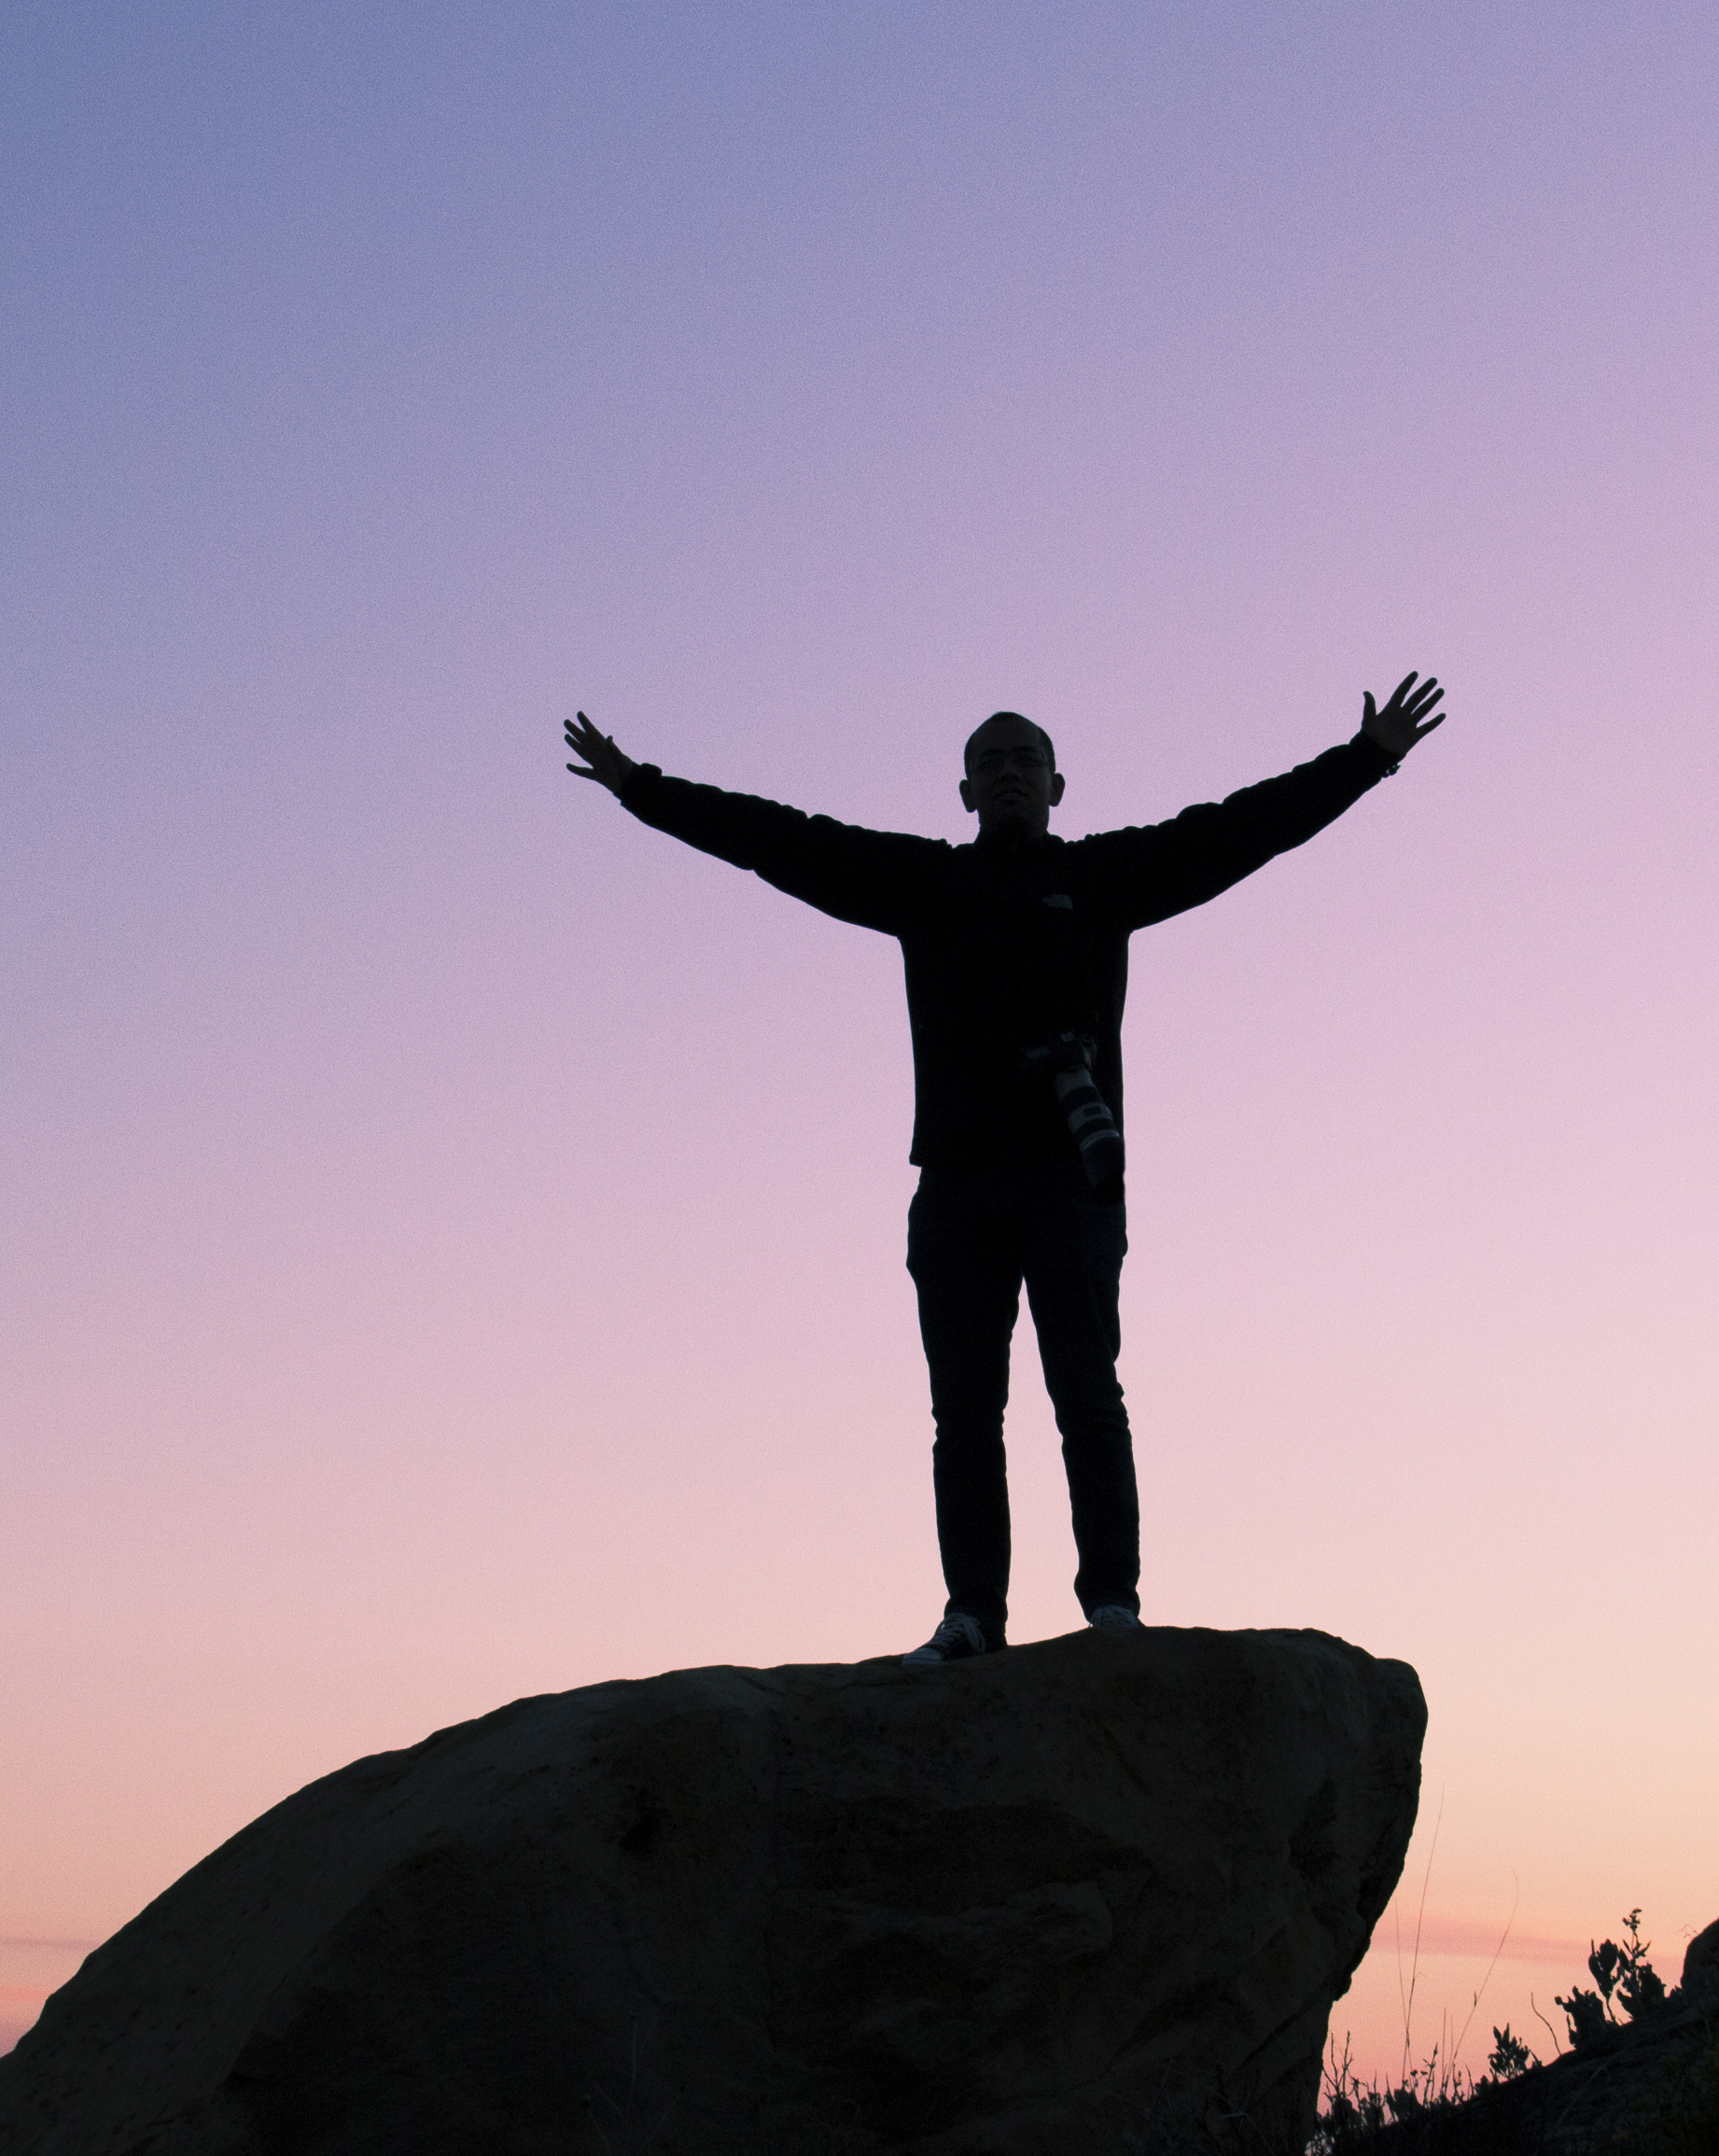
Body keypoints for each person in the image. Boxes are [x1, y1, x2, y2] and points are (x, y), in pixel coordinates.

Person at [561, 676, 1448, 1663]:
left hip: (1070, 1181)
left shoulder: (1106, 878)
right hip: (957, 1190)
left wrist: (1364, 760)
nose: (1011, 772)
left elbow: (1237, 831)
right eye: (993, 761)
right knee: (964, 1414)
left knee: (1087, 1396)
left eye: (1027, 758)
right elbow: (783, 840)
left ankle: (1111, 1604)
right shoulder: (928, 885)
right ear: (966, 791)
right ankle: (974, 1612)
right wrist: (640, 787)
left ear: (1059, 784)